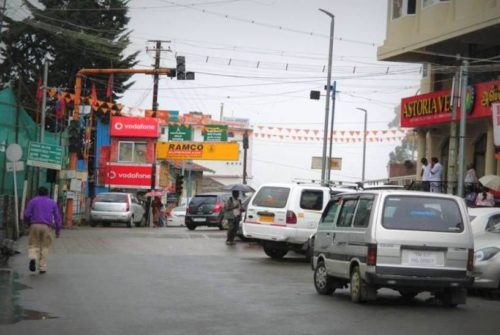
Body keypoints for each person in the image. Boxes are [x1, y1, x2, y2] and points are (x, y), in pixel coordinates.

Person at [23, 186, 62, 274]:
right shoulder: (52, 202)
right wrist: (58, 231)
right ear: (47, 193)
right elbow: (57, 218)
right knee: (44, 246)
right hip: (47, 226)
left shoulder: (33, 201)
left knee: (33, 244)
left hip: (34, 225)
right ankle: (42, 268)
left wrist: (28, 223)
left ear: (38, 193)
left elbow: (26, 214)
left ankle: (33, 258)